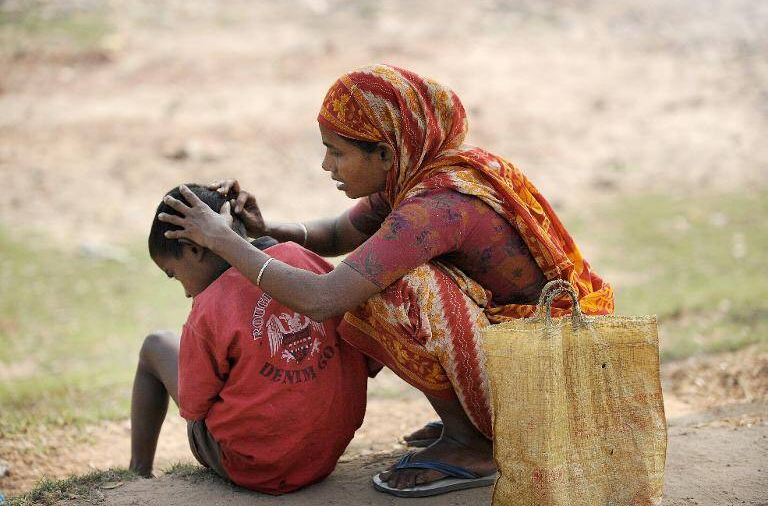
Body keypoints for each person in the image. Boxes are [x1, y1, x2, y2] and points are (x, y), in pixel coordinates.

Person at [159, 65, 614, 497]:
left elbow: (324, 300)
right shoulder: (418, 173)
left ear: (384, 152)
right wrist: (266, 230)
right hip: (535, 362)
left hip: (544, 383)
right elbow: (338, 234)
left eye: (337, 152)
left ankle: (474, 445)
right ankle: (477, 422)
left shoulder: (437, 205)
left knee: (389, 291)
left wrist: (224, 242)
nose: (326, 166)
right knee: (374, 276)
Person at [129, 184, 369, 495]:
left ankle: (138, 472)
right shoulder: (303, 259)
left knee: (156, 345)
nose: (186, 292)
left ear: (193, 248)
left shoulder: (208, 308)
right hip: (324, 454)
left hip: (254, 466)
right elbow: (362, 351)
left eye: (173, 274)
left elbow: (193, 406)